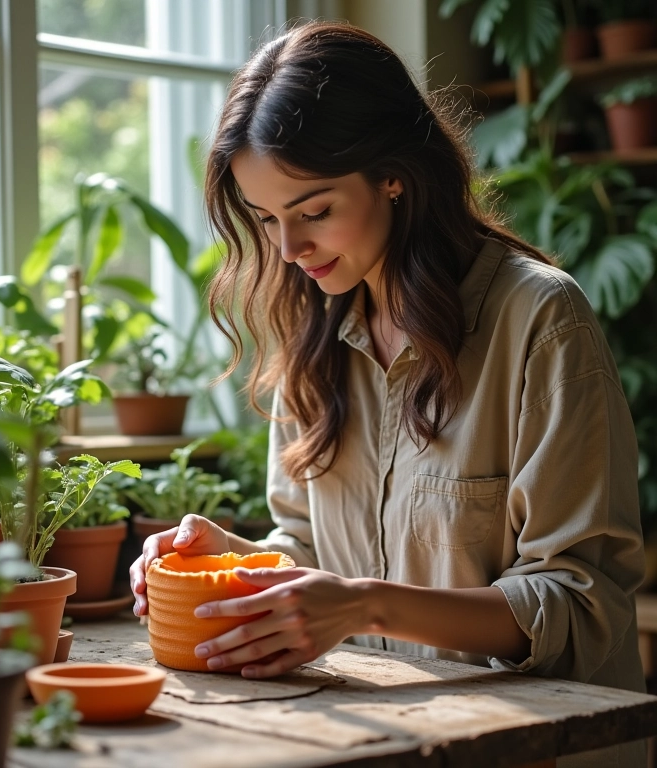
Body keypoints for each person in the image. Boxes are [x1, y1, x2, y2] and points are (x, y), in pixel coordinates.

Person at [130, 20, 646, 766]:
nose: (289, 249)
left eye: (313, 210)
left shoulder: (539, 319)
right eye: (266, 218)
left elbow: (579, 603)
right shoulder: (309, 327)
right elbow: (307, 549)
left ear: (395, 173)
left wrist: (366, 601)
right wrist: (232, 559)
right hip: (376, 739)